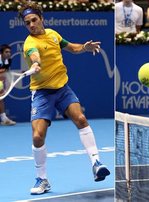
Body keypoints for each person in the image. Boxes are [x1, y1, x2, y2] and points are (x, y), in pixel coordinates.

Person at [18, 2, 110, 195]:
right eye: (27, 23)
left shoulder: (53, 34)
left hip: (62, 89)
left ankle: (96, 162)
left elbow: (71, 48)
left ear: (41, 19)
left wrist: (84, 47)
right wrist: (35, 65)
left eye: (34, 20)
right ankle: (42, 179)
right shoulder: (30, 44)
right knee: (37, 136)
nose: (32, 25)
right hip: (42, 93)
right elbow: (35, 57)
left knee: (81, 119)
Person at [0, 44, 16, 126]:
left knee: (1, 98)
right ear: (1, 53)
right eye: (6, 52)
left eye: (9, 52)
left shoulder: (8, 60)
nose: (8, 53)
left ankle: (4, 119)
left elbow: (4, 72)